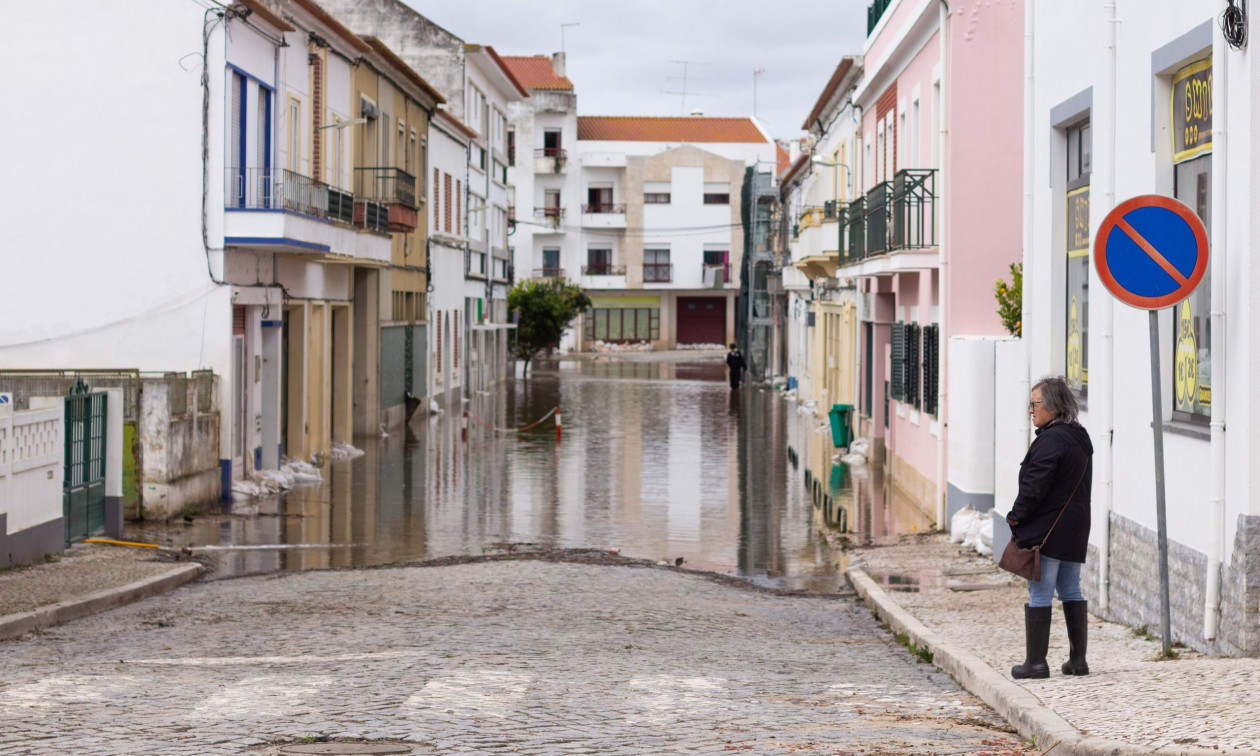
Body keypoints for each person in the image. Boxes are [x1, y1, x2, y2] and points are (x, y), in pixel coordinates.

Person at [1007, 376, 1094, 679]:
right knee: (1071, 588)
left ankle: (1036, 663)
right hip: (1075, 529)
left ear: (1052, 405)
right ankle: (1077, 661)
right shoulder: (1079, 436)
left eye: (1035, 404)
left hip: (1048, 530)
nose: (1031, 410)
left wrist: (1015, 516)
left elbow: (1035, 487)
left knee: (1040, 591)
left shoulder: (1050, 440)